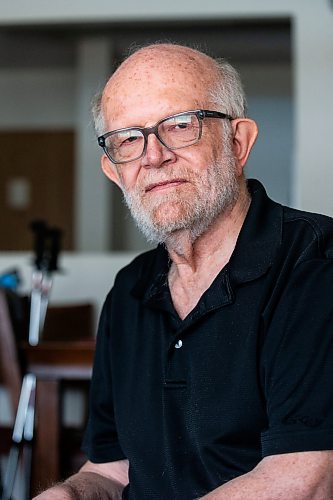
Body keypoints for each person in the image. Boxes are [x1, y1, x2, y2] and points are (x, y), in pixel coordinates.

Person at [34, 43, 333, 499]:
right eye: (129, 139)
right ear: (114, 171)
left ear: (238, 142)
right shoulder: (130, 289)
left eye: (179, 125)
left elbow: (303, 481)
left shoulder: (316, 264)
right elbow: (113, 470)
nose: (153, 156)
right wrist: (67, 495)